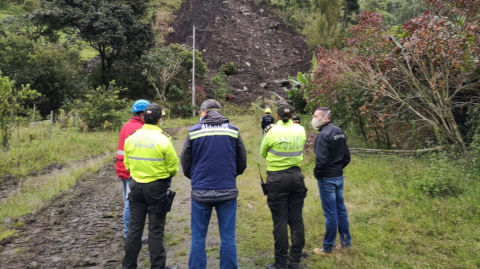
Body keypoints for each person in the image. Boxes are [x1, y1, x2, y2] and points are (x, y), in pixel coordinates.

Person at [181, 99, 247, 269]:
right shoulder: (233, 131)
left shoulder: (193, 131)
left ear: (203, 112)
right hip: (227, 190)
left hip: (201, 191)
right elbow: (242, 160)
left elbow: (185, 161)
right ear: (219, 111)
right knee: (228, 237)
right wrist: (231, 175)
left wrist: (195, 177)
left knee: (198, 237)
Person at [122, 103, 179, 269]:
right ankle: (158, 266)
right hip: (156, 189)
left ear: (143, 118)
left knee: (134, 229)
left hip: (136, 188)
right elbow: (173, 169)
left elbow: (127, 165)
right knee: (155, 230)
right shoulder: (164, 139)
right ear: (159, 121)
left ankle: (129, 265)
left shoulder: (131, 138)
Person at [260, 102, 307, 269]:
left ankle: (280, 262)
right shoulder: (300, 130)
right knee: (296, 219)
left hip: (276, 179)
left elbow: (262, 152)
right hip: (296, 177)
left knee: (279, 221)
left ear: (277, 116)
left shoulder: (271, 131)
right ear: (293, 116)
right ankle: (295, 260)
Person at [311, 107, 352, 255]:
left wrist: (318, 174)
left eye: (316, 116)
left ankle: (328, 247)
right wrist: (338, 169)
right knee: (341, 210)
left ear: (325, 119)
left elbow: (321, 161)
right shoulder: (339, 131)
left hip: (327, 179)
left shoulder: (323, 135)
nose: (313, 119)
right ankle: (346, 243)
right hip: (339, 177)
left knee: (331, 214)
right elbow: (347, 156)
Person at [116, 99, 150, 243]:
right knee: (130, 203)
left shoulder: (126, 126)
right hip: (131, 170)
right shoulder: (139, 129)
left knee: (127, 201)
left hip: (122, 168)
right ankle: (128, 234)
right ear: (142, 114)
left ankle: (128, 233)